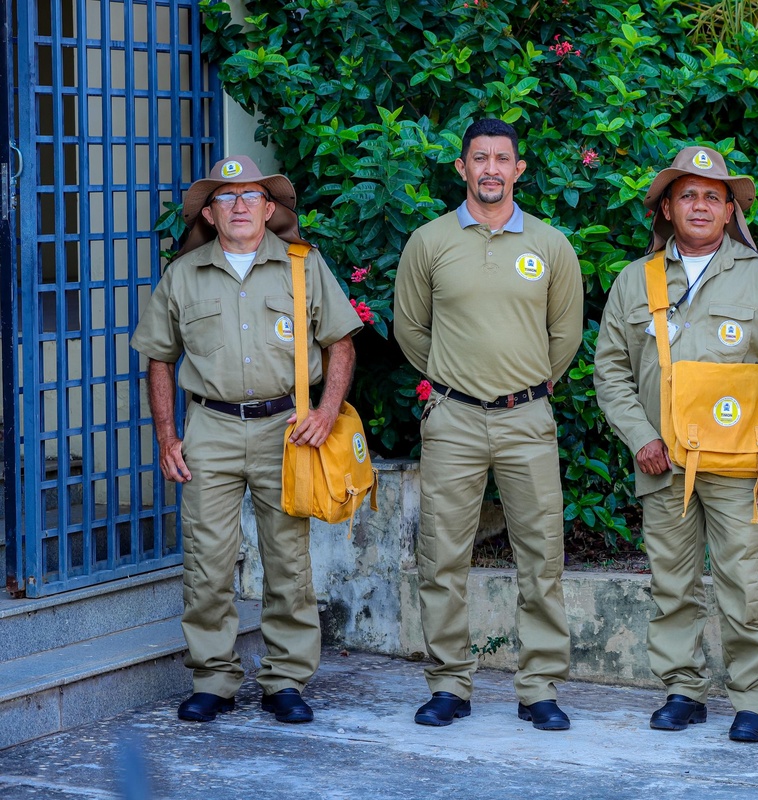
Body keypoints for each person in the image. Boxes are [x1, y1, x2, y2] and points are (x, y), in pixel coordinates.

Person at [132, 156, 363, 724]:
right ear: (210, 214)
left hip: (285, 430)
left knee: (288, 562)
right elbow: (159, 358)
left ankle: (286, 680)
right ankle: (213, 679)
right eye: (226, 197)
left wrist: (326, 412)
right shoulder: (182, 275)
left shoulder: (302, 265)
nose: (239, 205)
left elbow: (341, 342)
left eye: (250, 195)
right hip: (209, 429)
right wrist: (167, 436)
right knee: (206, 562)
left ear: (268, 208)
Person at [594, 146, 758, 743]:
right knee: (671, 583)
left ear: (730, 210)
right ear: (666, 207)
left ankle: (753, 700)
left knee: (745, 586)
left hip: (741, 463)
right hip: (663, 461)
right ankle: (682, 690)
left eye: (713, 196)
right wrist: (641, 437)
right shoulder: (634, 281)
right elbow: (610, 371)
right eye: (687, 194)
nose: (700, 205)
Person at [393, 119, 584, 731]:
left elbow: (565, 334)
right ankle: (449, 683)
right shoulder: (429, 242)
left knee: (542, 555)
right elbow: (410, 328)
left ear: (519, 169)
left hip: (527, 418)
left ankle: (539, 688)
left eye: (503, 159)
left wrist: (525, 382)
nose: (492, 169)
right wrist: (455, 377)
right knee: (442, 556)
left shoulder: (551, 245)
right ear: (462, 168)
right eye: (480, 158)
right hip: (452, 418)